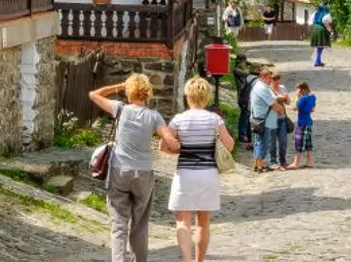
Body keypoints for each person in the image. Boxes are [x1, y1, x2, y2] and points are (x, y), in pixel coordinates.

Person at [89, 74, 179, 262]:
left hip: (119, 171)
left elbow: (94, 94)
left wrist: (119, 86)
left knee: (118, 223)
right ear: (148, 94)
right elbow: (171, 142)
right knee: (140, 223)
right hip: (143, 174)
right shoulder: (155, 117)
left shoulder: (120, 109)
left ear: (129, 94)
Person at [166, 77, 235, 262]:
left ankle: (187, 260)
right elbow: (229, 145)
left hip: (185, 175)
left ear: (187, 95)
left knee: (183, 222)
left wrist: (182, 147)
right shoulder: (215, 119)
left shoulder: (178, 119)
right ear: (207, 96)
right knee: (203, 223)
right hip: (208, 175)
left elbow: (164, 147)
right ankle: (199, 261)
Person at [247, 67, 279, 173]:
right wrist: (282, 110)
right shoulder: (262, 88)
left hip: (257, 119)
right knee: (263, 143)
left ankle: (257, 165)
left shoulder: (259, 86)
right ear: (263, 77)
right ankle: (260, 166)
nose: (270, 80)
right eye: (269, 78)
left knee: (258, 142)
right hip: (263, 120)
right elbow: (273, 104)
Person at [290, 82, 316, 169]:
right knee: (309, 144)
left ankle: (296, 163)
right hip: (308, 122)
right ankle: (309, 162)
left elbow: (294, 107)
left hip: (302, 123)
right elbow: (312, 109)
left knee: (299, 143)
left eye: (298, 90)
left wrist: (296, 97)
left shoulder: (303, 98)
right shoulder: (312, 97)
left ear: (302, 90)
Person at [270, 73, 291, 170]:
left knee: (283, 141)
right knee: (272, 142)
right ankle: (273, 161)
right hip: (272, 119)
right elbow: (270, 102)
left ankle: (283, 161)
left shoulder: (282, 88)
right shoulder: (268, 89)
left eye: (278, 79)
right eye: (274, 79)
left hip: (282, 118)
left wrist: (285, 98)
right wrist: (280, 98)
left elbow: (288, 102)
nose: (277, 81)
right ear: (271, 80)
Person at [234, 65, 257, 149]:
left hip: (243, 100)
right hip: (249, 102)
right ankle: (246, 137)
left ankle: (242, 135)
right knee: (248, 119)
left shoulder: (247, 77)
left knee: (243, 118)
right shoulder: (256, 80)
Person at [309, 3, 335, 67]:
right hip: (321, 29)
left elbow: (311, 22)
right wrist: (331, 30)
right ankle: (317, 61)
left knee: (318, 46)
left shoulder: (315, 13)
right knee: (321, 46)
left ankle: (318, 60)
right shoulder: (326, 14)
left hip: (315, 28)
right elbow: (326, 23)